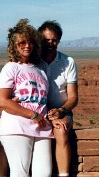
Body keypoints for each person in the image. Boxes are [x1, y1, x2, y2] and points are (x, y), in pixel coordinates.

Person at [0, 18, 53, 177]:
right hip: (17, 127)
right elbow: (2, 101)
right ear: (14, 44)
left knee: (44, 173)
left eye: (30, 42)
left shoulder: (41, 67)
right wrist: (32, 114)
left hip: (42, 127)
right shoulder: (11, 68)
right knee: (20, 173)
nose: (27, 46)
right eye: (22, 42)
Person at [38, 20, 78, 177]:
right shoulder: (34, 62)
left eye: (54, 40)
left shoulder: (68, 62)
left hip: (63, 111)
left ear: (58, 41)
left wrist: (61, 111)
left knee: (61, 130)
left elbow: (73, 97)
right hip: (39, 111)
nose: (50, 43)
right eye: (46, 40)